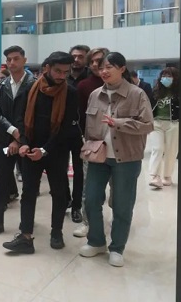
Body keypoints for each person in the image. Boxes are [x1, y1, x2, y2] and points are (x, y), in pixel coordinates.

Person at [79, 52, 154, 267]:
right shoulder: (95, 95)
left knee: (122, 205)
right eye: (101, 67)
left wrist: (119, 123)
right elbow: (89, 128)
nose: (104, 71)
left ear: (122, 69)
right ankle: (96, 242)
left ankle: (117, 248)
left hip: (127, 158)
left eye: (109, 67)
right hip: (98, 157)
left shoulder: (137, 94)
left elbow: (148, 125)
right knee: (91, 200)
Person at [2, 51, 77, 254]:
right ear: (47, 68)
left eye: (66, 72)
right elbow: (20, 118)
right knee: (28, 193)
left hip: (56, 151)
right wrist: (24, 143)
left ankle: (56, 232)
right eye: (58, 71)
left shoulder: (70, 92)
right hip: (30, 150)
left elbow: (66, 129)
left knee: (59, 193)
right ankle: (25, 237)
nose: (62, 76)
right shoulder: (31, 88)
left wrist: (45, 150)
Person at [0, 46, 34, 239]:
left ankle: (26, 225)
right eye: (9, 60)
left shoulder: (34, 84)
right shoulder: (1, 85)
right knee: (1, 182)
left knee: (29, 185)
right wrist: (13, 132)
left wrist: (19, 140)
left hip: (27, 142)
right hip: (4, 140)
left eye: (16, 58)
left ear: (24, 60)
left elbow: (33, 114)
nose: (12, 63)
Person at [73, 47, 109, 238]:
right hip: (93, 143)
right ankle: (88, 223)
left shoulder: (122, 85)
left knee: (118, 191)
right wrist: (83, 140)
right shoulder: (84, 86)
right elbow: (79, 115)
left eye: (100, 61)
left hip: (118, 145)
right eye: (92, 61)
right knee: (90, 187)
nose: (95, 65)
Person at [66, 45, 90, 224]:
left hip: (82, 132)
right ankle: (66, 199)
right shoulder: (62, 76)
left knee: (80, 171)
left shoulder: (90, 79)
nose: (76, 59)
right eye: (74, 56)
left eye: (81, 56)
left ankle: (76, 206)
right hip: (61, 131)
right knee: (59, 169)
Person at [148, 67, 179, 189]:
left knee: (171, 150)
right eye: (163, 75)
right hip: (156, 123)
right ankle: (154, 176)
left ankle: (167, 176)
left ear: (175, 78)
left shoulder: (179, 92)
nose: (165, 78)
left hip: (173, 123)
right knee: (158, 148)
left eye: (169, 76)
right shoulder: (156, 91)